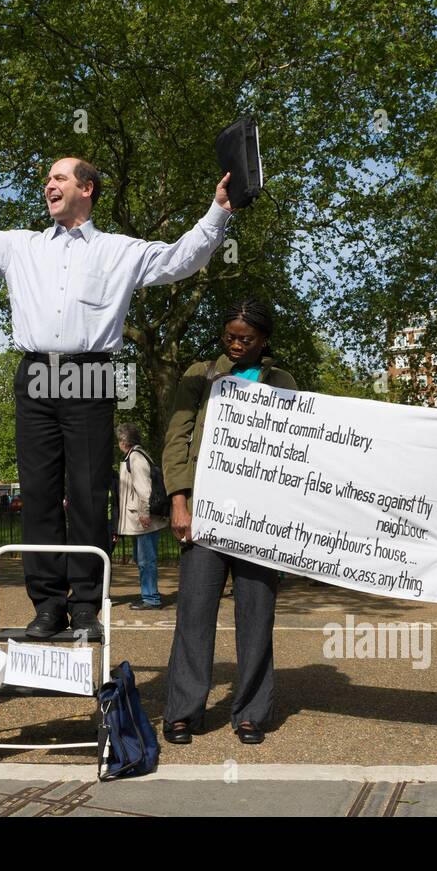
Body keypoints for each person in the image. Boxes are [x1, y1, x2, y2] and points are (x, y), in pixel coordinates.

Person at [0, 135, 235, 640]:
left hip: (90, 372)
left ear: (87, 188)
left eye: (59, 177)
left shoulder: (119, 251)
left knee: (87, 494)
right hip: (36, 372)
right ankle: (46, 605)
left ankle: (86, 605)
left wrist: (217, 212)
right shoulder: (20, 246)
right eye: (47, 179)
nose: (49, 184)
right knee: (39, 496)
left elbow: (180, 259)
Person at [161, 300, 297, 746]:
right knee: (194, 614)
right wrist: (179, 502)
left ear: (264, 340)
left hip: (259, 519)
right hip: (205, 513)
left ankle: (252, 712)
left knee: (256, 616)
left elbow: (298, 448)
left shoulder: (284, 382)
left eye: (246, 338)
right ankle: (183, 711)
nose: (237, 345)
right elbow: (176, 439)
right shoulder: (199, 376)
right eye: (230, 337)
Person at [115, 423, 168, 609]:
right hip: (140, 517)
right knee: (143, 559)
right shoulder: (138, 455)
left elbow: (144, 490)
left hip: (142, 518)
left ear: (124, 440)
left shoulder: (136, 459)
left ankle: (151, 598)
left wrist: (144, 513)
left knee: (146, 560)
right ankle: (148, 595)